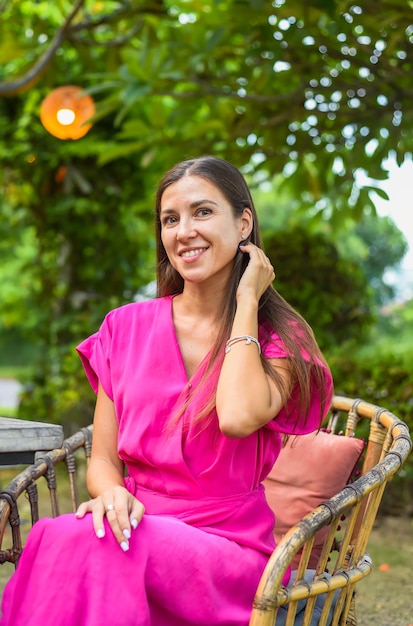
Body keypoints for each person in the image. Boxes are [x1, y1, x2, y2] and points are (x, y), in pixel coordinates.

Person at [0, 156, 333, 626]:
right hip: (131, 523)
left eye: (202, 212)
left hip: (226, 548)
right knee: (63, 535)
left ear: (243, 224)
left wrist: (246, 302)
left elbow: (237, 415)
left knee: (88, 540)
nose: (183, 232)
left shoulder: (282, 340)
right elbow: (103, 459)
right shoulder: (123, 327)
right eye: (170, 219)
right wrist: (112, 493)